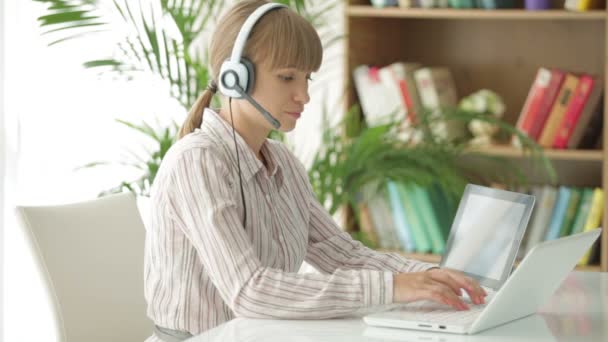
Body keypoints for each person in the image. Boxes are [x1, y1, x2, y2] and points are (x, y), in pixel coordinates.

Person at [144, 1, 486, 341]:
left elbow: (342, 254)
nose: (304, 94)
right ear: (235, 77)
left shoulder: (282, 163)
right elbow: (250, 290)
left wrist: (432, 276)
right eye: (287, 77)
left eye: (306, 77)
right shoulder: (198, 161)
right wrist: (393, 287)